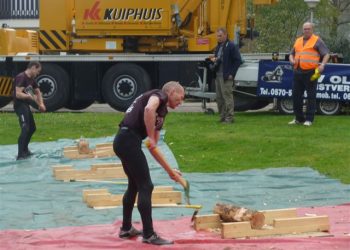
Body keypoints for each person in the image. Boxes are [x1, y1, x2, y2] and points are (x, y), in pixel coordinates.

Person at [113, 81, 185, 245]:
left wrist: (170, 171)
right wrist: (150, 136)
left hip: (125, 142)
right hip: (127, 140)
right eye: (181, 97)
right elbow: (148, 109)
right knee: (146, 186)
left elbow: (154, 147)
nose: (181, 102)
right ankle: (149, 234)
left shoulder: (162, 112)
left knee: (135, 185)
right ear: (172, 91)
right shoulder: (159, 95)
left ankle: (126, 229)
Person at [289, 22, 330, 126]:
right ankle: (298, 119)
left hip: (310, 72)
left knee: (311, 96)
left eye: (308, 29)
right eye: (305, 29)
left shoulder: (317, 41)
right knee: (296, 96)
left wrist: (322, 65)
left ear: (312, 30)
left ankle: (309, 120)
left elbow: (326, 54)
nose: (306, 30)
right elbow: (291, 54)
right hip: (297, 71)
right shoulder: (298, 40)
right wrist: (291, 60)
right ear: (302, 30)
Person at [13, 61, 46, 160]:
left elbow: (38, 92)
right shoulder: (21, 77)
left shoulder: (31, 79)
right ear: (33, 68)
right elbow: (17, 94)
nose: (38, 73)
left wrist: (41, 104)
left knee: (32, 128)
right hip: (19, 105)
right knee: (25, 128)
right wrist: (29, 96)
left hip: (25, 105)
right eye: (38, 71)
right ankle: (20, 155)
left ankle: (25, 150)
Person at [210, 27, 242, 123]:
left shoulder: (231, 45)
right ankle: (223, 116)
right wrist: (214, 59)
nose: (218, 38)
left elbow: (238, 60)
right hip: (218, 75)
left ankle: (230, 117)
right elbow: (219, 59)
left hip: (226, 76)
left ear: (225, 35)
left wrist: (232, 73)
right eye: (217, 36)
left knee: (227, 97)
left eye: (220, 36)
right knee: (219, 98)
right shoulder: (218, 46)